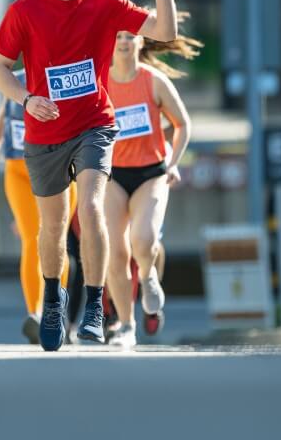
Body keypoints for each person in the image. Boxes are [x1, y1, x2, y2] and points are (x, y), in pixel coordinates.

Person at [0, 0, 178, 351]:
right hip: (44, 128)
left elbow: (164, 32)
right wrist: (24, 98)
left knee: (91, 209)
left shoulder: (104, 2)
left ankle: (94, 305)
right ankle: (53, 299)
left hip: (95, 124)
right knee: (51, 228)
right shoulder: (25, 10)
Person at [104, 28, 192, 347]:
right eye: (118, 37)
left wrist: (174, 163)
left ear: (140, 42)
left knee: (143, 239)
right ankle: (126, 326)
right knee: (115, 251)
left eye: (130, 36)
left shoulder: (153, 80)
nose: (124, 42)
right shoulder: (101, 81)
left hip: (152, 172)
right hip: (112, 175)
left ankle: (148, 275)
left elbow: (182, 123)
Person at [0, 70, 77, 344]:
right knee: (31, 240)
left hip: (56, 167)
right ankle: (36, 314)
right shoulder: (14, 78)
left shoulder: (62, 76)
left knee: (56, 240)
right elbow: (6, 112)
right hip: (17, 168)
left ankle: (55, 311)